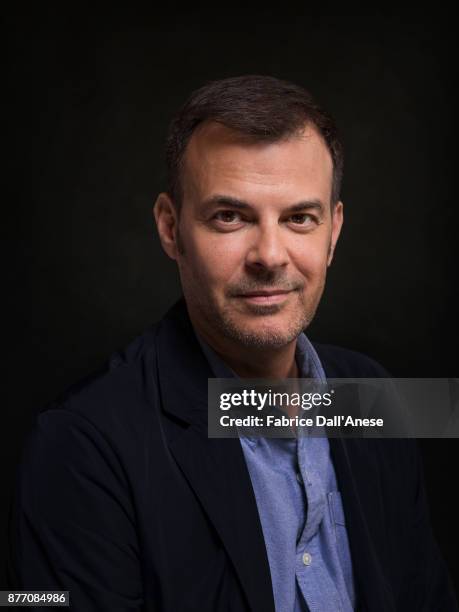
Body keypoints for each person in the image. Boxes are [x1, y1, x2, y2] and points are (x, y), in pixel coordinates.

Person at [8, 75, 457, 611]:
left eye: (299, 218)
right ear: (170, 228)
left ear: (333, 232)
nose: (269, 254)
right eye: (230, 217)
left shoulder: (373, 399)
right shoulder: (81, 444)